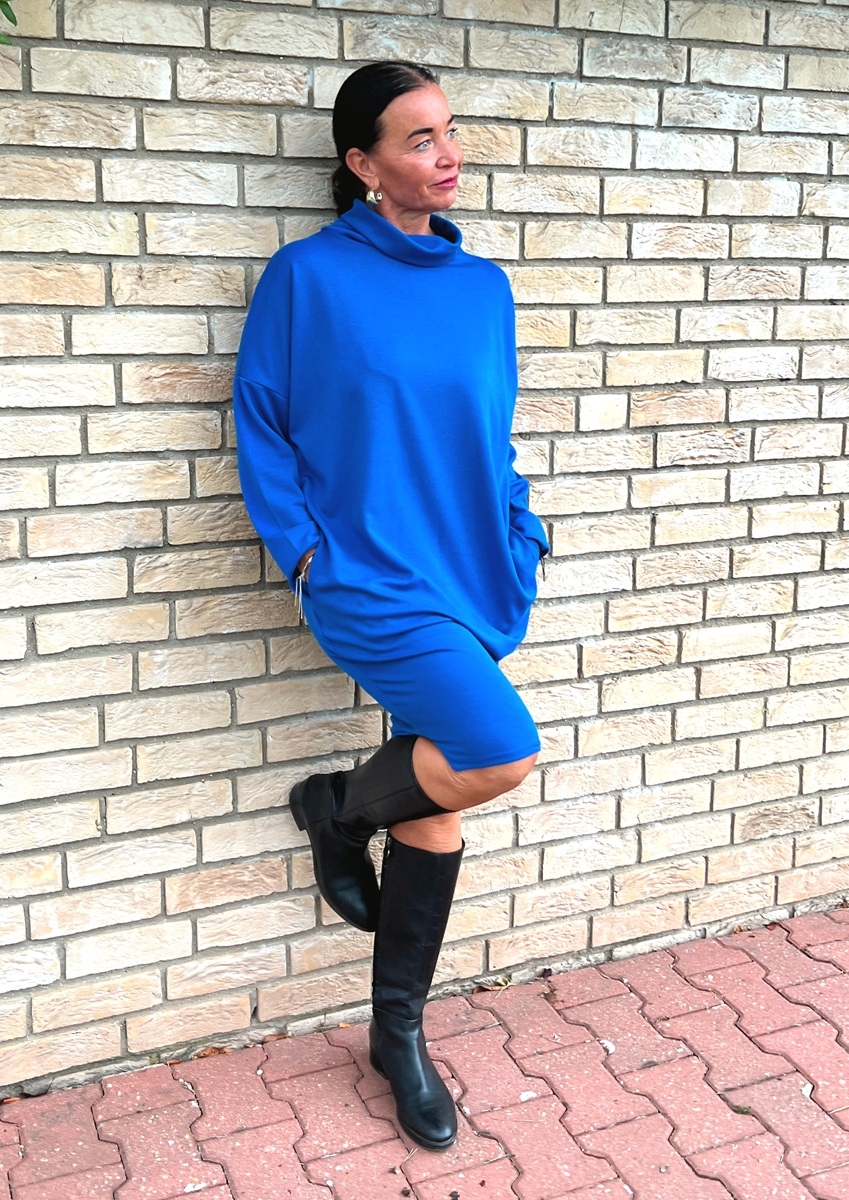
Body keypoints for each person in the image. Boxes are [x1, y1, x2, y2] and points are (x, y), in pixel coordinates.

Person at [232, 61, 548, 1152]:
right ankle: (338, 809)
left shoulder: (483, 288)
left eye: (449, 131)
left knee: (439, 796)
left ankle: (396, 1032)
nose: (446, 154)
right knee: (499, 748)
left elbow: (492, 433)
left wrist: (521, 529)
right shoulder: (308, 278)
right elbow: (261, 420)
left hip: (473, 567)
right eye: (419, 139)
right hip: (367, 575)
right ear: (362, 164)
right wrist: (303, 554)